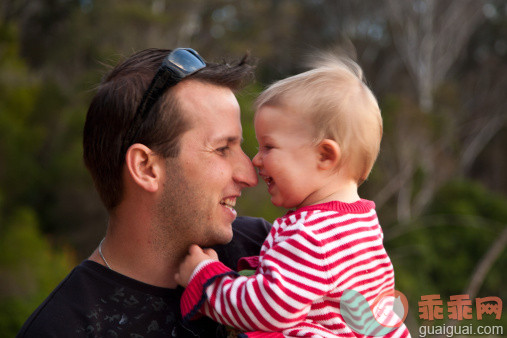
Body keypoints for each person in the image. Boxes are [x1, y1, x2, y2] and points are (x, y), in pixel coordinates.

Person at [17, 48, 271, 337]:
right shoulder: (63, 329)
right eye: (222, 149)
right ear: (146, 168)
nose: (250, 175)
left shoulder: (277, 248)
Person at [175, 54, 412, 337]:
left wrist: (204, 279)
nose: (256, 160)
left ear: (324, 155)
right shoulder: (362, 224)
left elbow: (269, 310)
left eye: (269, 147)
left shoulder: (312, 234)